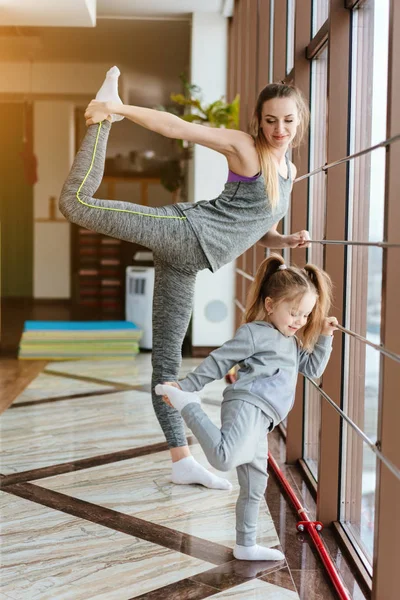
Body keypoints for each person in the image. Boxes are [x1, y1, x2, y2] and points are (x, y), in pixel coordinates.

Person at [59, 66, 311, 491]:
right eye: (270, 120)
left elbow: (251, 224)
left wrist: (283, 238)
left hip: (187, 261)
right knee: (76, 203)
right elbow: (178, 127)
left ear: (299, 120)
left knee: (166, 371)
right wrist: (118, 108)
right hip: (182, 231)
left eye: (287, 120)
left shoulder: (286, 171)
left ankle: (182, 461)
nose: (279, 129)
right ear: (258, 120)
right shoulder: (245, 148)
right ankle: (102, 118)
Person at [156, 254, 338, 561]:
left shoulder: (291, 342)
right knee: (224, 458)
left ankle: (245, 544)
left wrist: (324, 336)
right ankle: (189, 406)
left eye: (305, 315)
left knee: (256, 484)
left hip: (263, 418)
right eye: (294, 312)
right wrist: (187, 386)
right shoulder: (255, 332)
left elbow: (313, 369)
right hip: (247, 405)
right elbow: (220, 360)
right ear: (270, 305)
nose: (299, 321)